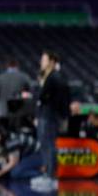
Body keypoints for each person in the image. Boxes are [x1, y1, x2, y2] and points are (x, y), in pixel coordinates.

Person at [35, 50, 69, 188]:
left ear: (52, 62)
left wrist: (43, 85)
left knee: (49, 145)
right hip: (45, 115)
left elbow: (43, 96)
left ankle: (50, 175)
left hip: (49, 116)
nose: (41, 63)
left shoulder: (55, 77)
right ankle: (47, 173)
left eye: (44, 60)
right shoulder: (51, 76)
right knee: (45, 145)